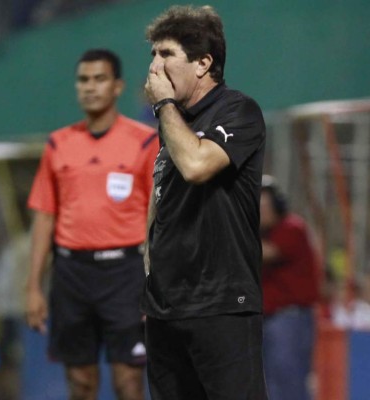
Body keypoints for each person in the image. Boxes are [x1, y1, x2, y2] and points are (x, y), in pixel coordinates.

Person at [140, 5, 267, 399]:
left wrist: (163, 105)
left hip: (221, 305)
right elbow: (160, 198)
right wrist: (150, 271)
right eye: (153, 55)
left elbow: (197, 165)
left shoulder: (238, 111)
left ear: (203, 63)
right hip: (166, 310)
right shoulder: (173, 126)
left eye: (166, 54)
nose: (154, 67)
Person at [25, 48, 158, 400]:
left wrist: (159, 281)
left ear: (117, 87)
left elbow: (159, 217)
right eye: (83, 79)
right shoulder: (58, 144)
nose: (90, 87)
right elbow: (44, 216)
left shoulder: (145, 141)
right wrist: (33, 286)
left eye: (99, 79)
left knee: (128, 382)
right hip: (71, 275)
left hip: (126, 274)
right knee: (80, 382)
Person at [259, 175, 321, 400]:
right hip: (268, 319)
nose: (260, 212)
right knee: (269, 385)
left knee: (289, 383)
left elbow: (266, 253)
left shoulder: (291, 227)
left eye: (264, 206)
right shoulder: (262, 234)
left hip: (290, 319)